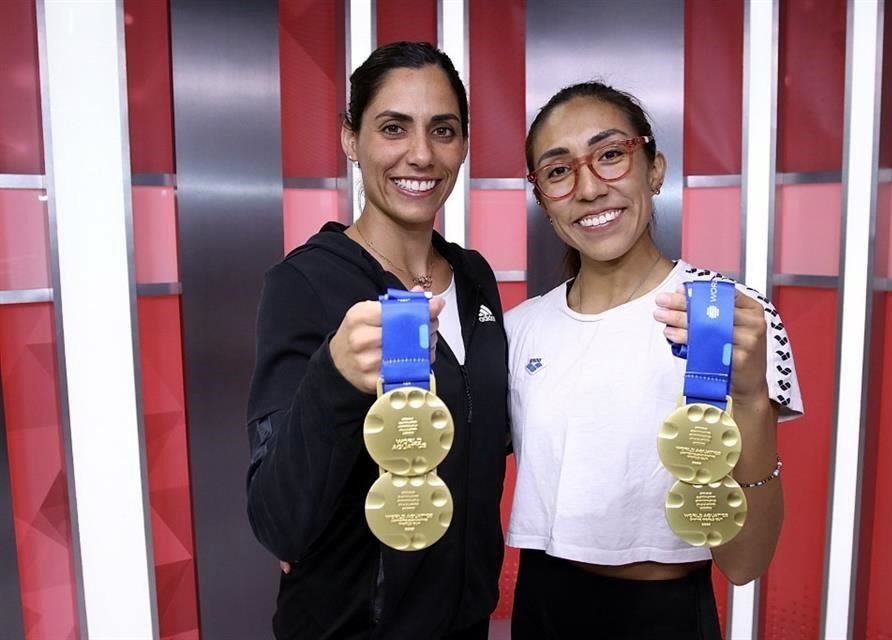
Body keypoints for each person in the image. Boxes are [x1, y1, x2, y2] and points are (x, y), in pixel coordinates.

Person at [505, 82, 804, 639]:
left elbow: (744, 563)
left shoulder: (727, 315)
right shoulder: (519, 330)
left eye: (611, 155)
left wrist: (750, 399)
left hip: (664, 615)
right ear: (543, 199)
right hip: (540, 610)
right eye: (558, 170)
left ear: (655, 170)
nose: (589, 187)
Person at [245, 42, 508, 639]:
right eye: (394, 127)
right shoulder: (304, 284)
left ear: (464, 143)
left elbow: (480, 437)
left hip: (465, 624)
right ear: (350, 138)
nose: (421, 154)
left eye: (443, 130)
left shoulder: (475, 278)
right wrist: (333, 380)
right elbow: (276, 519)